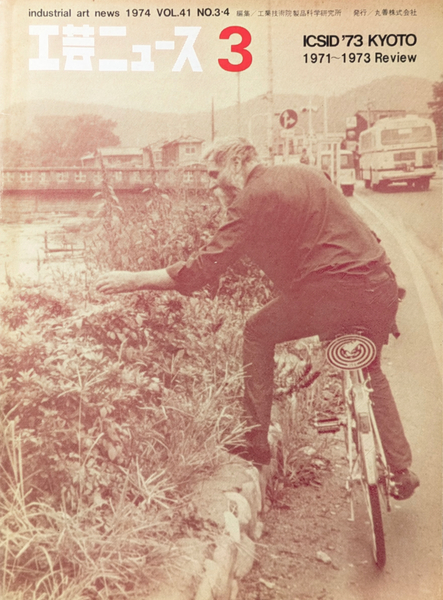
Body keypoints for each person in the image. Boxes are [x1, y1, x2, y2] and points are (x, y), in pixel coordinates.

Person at [96, 137, 419, 501]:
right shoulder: (309, 174)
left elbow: (202, 268)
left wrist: (134, 279)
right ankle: (400, 469)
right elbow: (356, 231)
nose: (211, 184)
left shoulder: (251, 199)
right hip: (378, 283)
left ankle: (255, 442)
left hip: (328, 295)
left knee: (256, 331)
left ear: (237, 163)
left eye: (214, 174)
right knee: (371, 369)